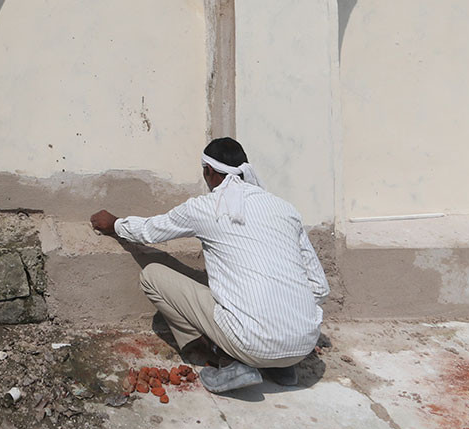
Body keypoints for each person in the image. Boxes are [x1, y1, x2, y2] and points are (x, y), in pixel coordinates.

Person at [89, 137, 329, 394]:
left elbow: (150, 231)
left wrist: (114, 224)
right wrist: (289, 323)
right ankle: (280, 365)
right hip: (302, 346)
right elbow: (319, 288)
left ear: (209, 172)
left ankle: (225, 358)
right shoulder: (285, 209)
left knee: (152, 276)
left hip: (252, 344)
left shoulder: (205, 208)